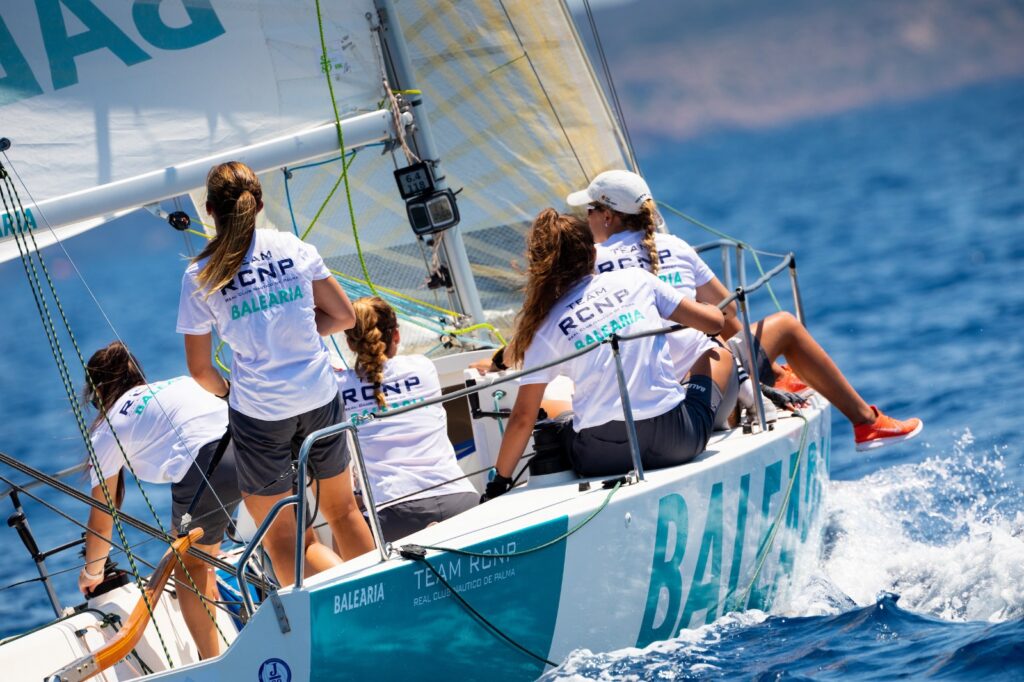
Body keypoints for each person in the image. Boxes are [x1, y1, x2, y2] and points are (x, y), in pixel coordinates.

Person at [567, 169, 923, 451]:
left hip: (640, 405)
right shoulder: (675, 246)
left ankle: (764, 382)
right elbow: (728, 312)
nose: (587, 219)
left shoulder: (590, 265)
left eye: (589, 211)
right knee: (785, 325)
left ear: (608, 216)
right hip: (707, 388)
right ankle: (866, 422)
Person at [176, 161, 374, 586]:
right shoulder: (291, 246)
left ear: (209, 210)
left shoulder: (200, 274)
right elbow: (344, 316)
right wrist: (299, 331)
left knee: (283, 537)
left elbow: (200, 370)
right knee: (344, 511)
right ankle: (382, 591)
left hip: (261, 414)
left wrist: (227, 391)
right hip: (320, 396)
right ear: (259, 203)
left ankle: (330, 610)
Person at [485, 209, 730, 498]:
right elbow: (714, 324)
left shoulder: (543, 327)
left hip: (600, 458)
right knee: (719, 354)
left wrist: (498, 484)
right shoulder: (637, 279)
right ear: (593, 252)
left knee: (558, 419)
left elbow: (523, 417)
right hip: (676, 441)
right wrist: (711, 309)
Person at [79, 341, 239, 659]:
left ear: (97, 394)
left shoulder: (107, 429)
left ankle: (216, 664)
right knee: (291, 540)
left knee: (188, 567)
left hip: (208, 466)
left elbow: (102, 521)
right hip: (253, 444)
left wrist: (92, 573)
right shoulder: (178, 383)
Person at [337, 297, 478, 541]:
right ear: (397, 335)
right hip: (461, 500)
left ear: (350, 343)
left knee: (342, 522)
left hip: (391, 515)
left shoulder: (338, 387)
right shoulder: (423, 367)